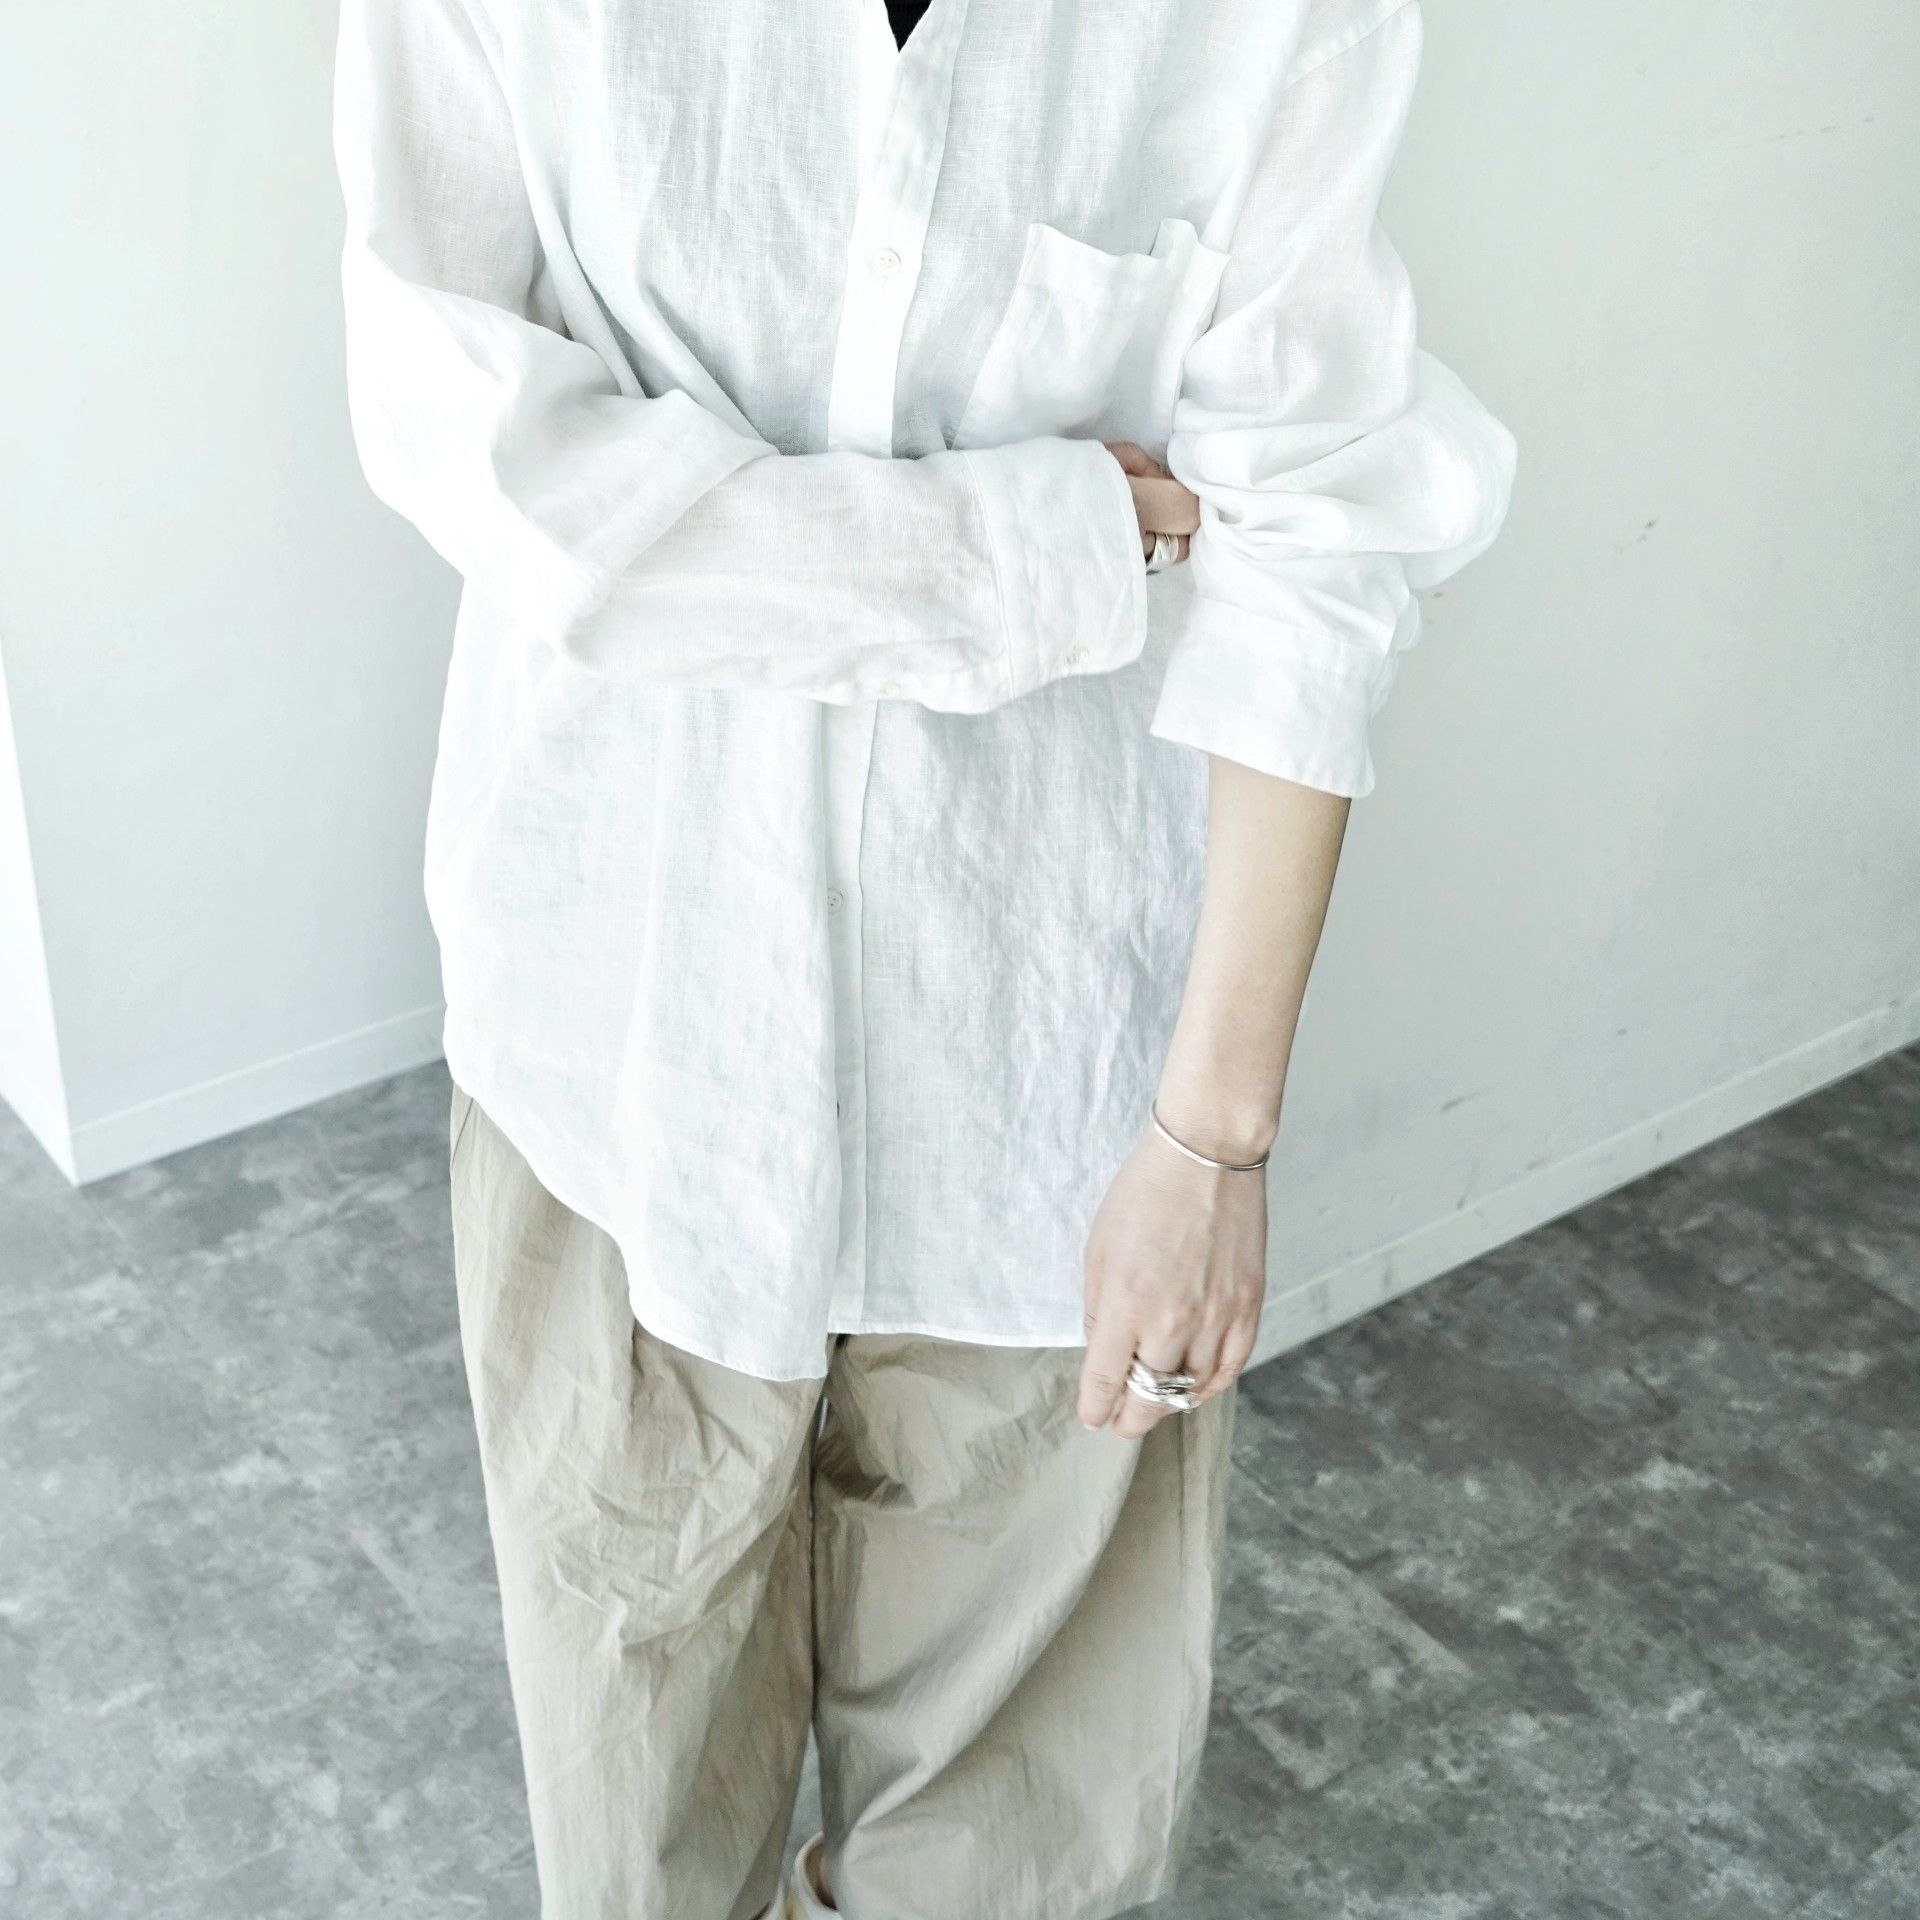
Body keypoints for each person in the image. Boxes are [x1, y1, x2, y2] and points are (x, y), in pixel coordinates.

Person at [332, 0, 1515, 1914]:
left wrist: (1212, 1142)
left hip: (1053, 1083)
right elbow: (453, 414)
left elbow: (1314, 536)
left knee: (1014, 1859)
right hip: (614, 1038)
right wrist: (1012, 554)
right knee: (638, 1831)